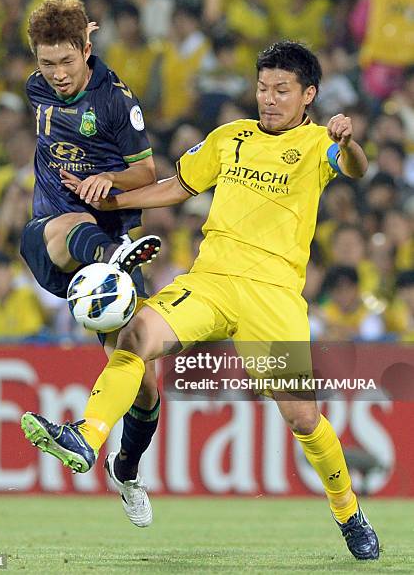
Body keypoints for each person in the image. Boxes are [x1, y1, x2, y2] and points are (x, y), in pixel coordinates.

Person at [22, 40, 379, 560]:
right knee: (136, 336)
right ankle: (87, 433)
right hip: (211, 280)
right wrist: (108, 196)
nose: (269, 99)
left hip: (273, 296)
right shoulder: (229, 138)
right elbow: (175, 188)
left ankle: (348, 511)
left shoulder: (319, 143)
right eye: (262, 88)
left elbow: (356, 168)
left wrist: (350, 142)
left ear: (309, 95)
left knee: (303, 418)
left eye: (282, 90)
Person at [19, 0, 163, 528]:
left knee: (144, 381)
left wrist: (111, 181)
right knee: (66, 225)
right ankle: (112, 258)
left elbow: (147, 174)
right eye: (46, 62)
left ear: (87, 50)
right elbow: (60, 36)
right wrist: (74, 30)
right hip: (57, 238)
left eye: (67, 62)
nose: (57, 75)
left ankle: (126, 469)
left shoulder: (116, 103)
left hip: (112, 231)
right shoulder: (38, 86)